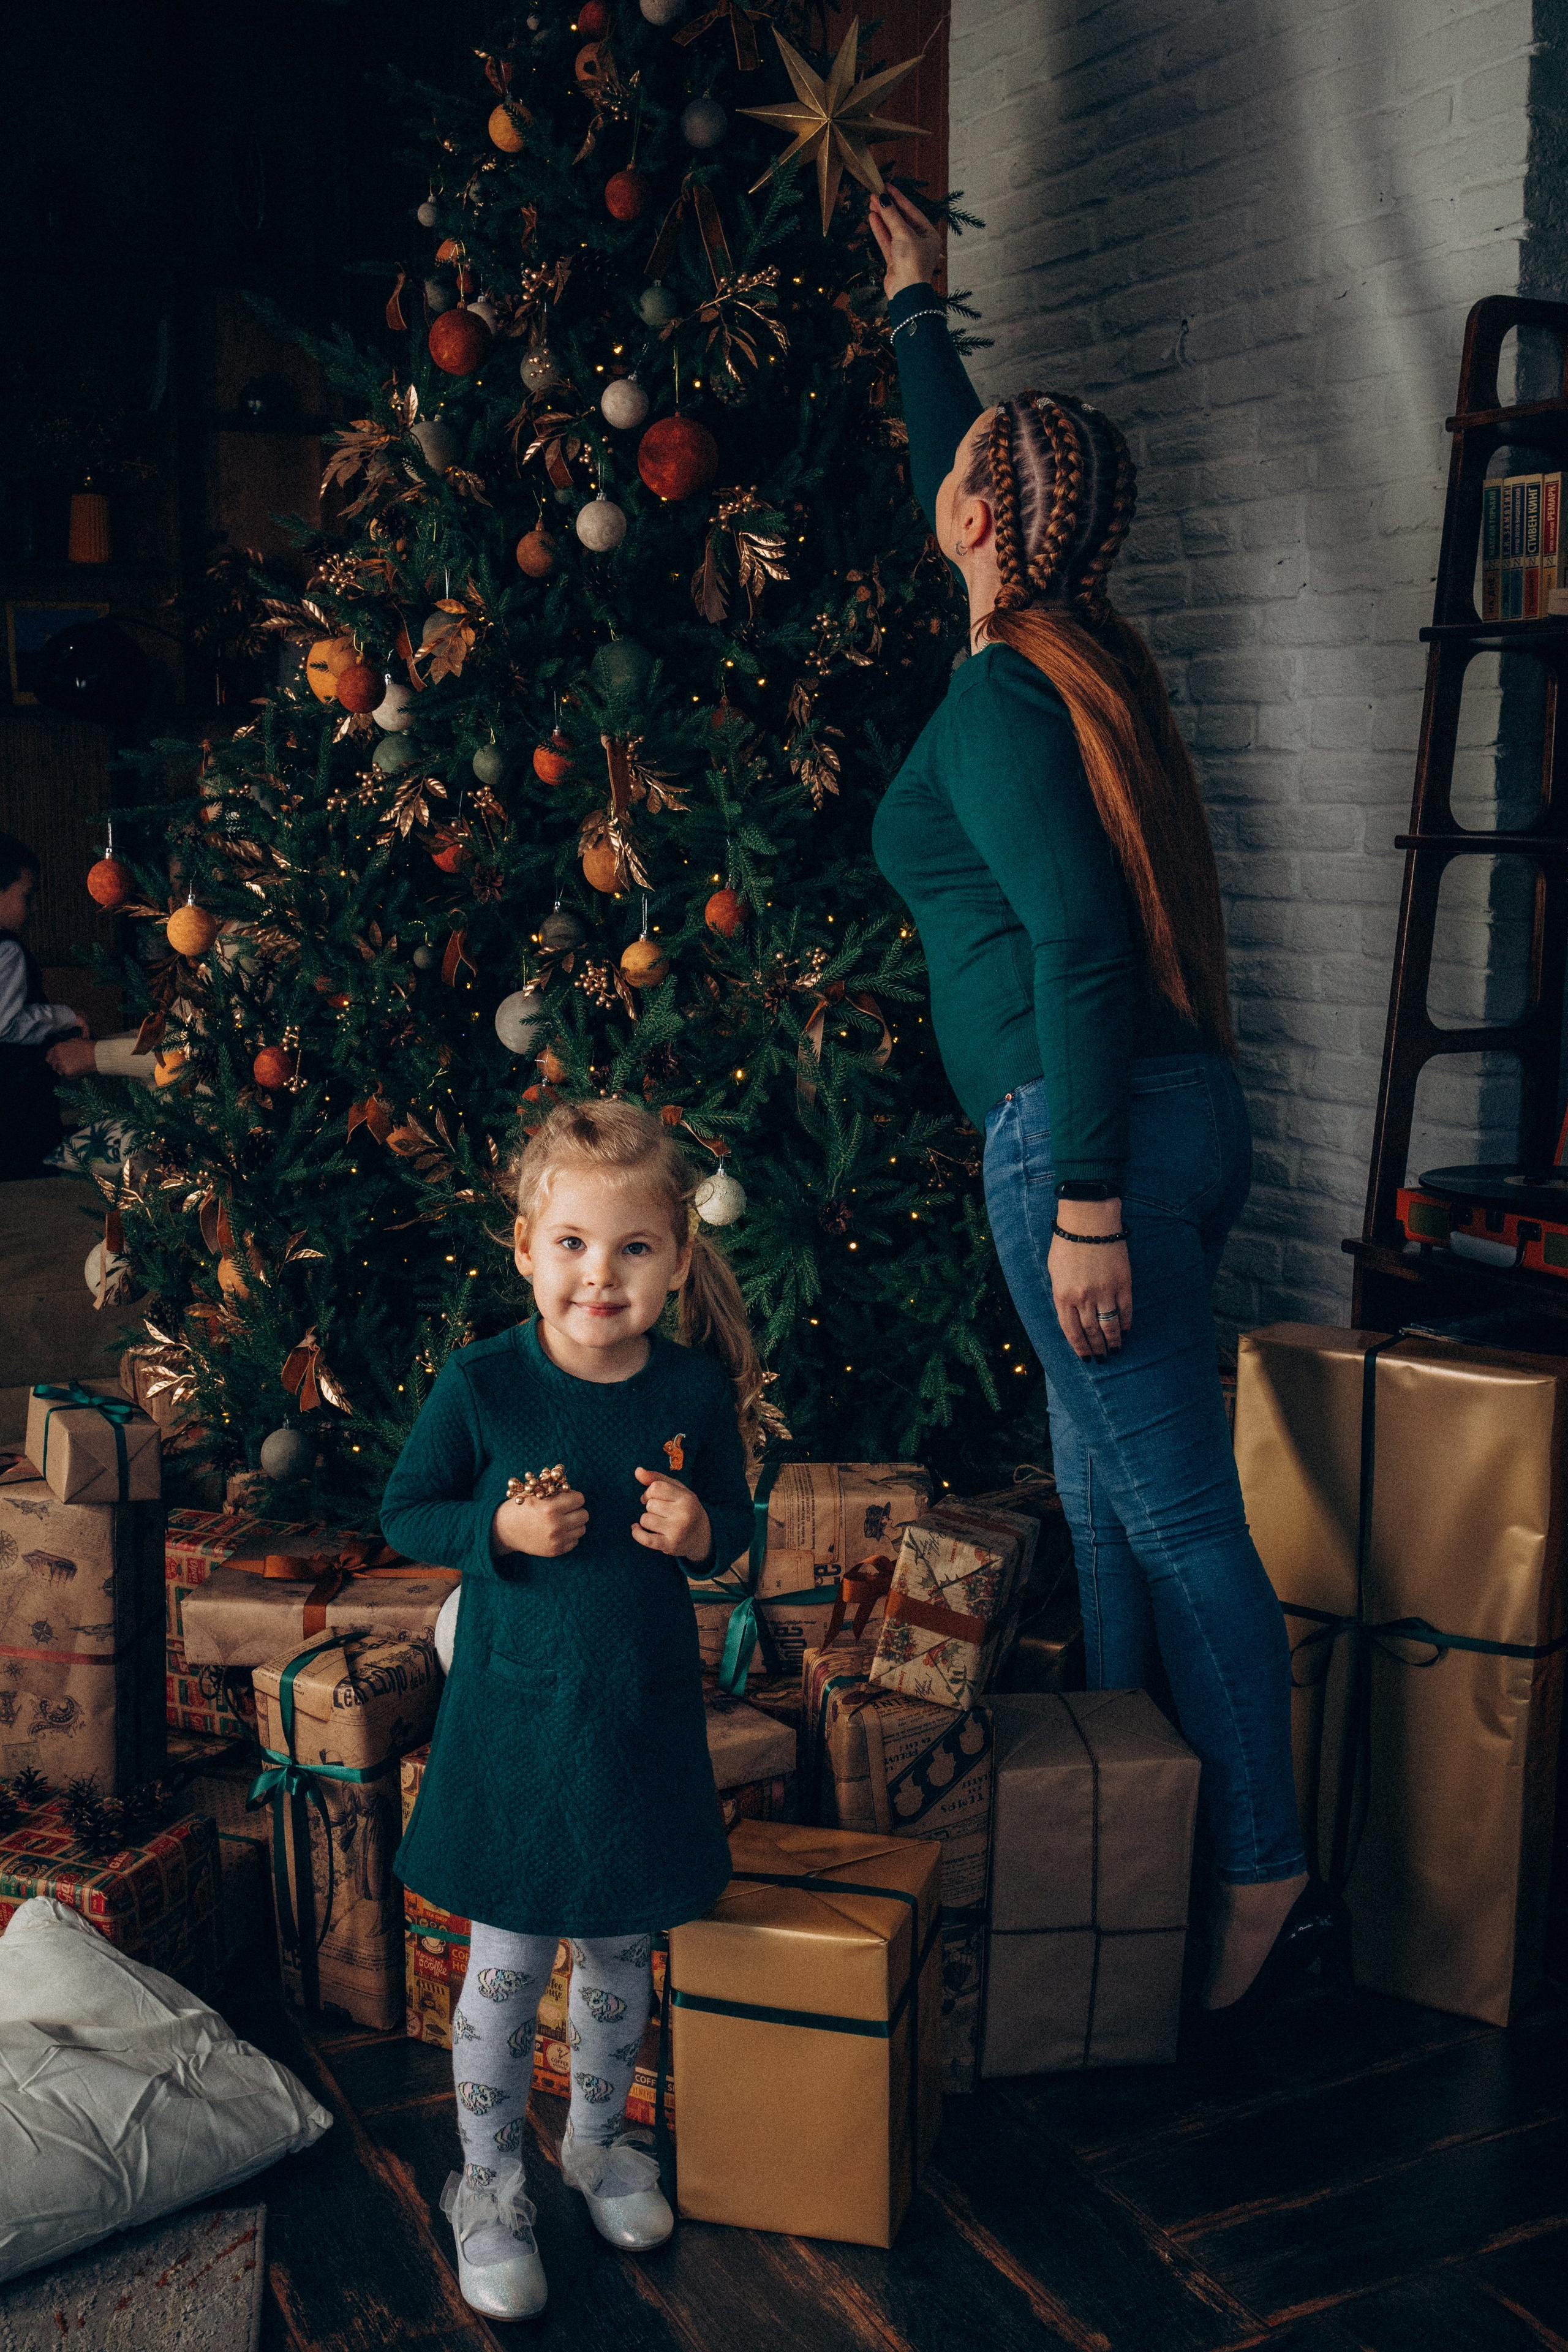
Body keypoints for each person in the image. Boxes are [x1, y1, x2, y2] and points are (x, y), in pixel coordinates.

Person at [867, 188, 1344, 2034]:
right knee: (1108, 1498)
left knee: (1175, 1516)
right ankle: (1153, 1830)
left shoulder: (1003, 687)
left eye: (962, 474)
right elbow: (967, 476)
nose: (944, 484)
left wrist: (1071, 1203)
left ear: (982, 521)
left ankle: (1258, 1869)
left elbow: (1069, 936)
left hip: (1086, 1146)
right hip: (1173, 1119)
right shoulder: (1079, 651)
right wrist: (918, 311)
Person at [380, 1098, 758, 2320]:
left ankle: (598, 2147)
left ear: (678, 1258)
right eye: (572, 1246)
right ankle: (487, 2184)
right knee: (503, 1971)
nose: (600, 1277)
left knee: (617, 1956)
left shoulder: (693, 1389)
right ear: (526, 1246)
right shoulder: (486, 1383)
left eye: (634, 1249)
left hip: (637, 1723)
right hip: (516, 1732)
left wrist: (701, 1533)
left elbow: (734, 1531)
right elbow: (406, 1511)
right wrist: (495, 1527)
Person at [0, 832, 92, 1181]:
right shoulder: (8, 950)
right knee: (31, 1119)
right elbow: (5, 1024)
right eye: (28, 896)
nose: (35, 906)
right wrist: (64, 1016)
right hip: (11, 1082)